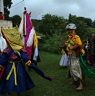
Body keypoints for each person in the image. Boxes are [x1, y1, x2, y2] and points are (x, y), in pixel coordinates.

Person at [64, 23, 84, 90]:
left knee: (76, 69)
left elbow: (79, 44)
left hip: (75, 55)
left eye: (69, 30)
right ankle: (74, 81)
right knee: (71, 69)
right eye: (68, 30)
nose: (68, 31)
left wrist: (72, 47)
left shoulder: (76, 37)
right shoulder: (69, 38)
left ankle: (81, 85)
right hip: (70, 55)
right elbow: (67, 45)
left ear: (73, 30)